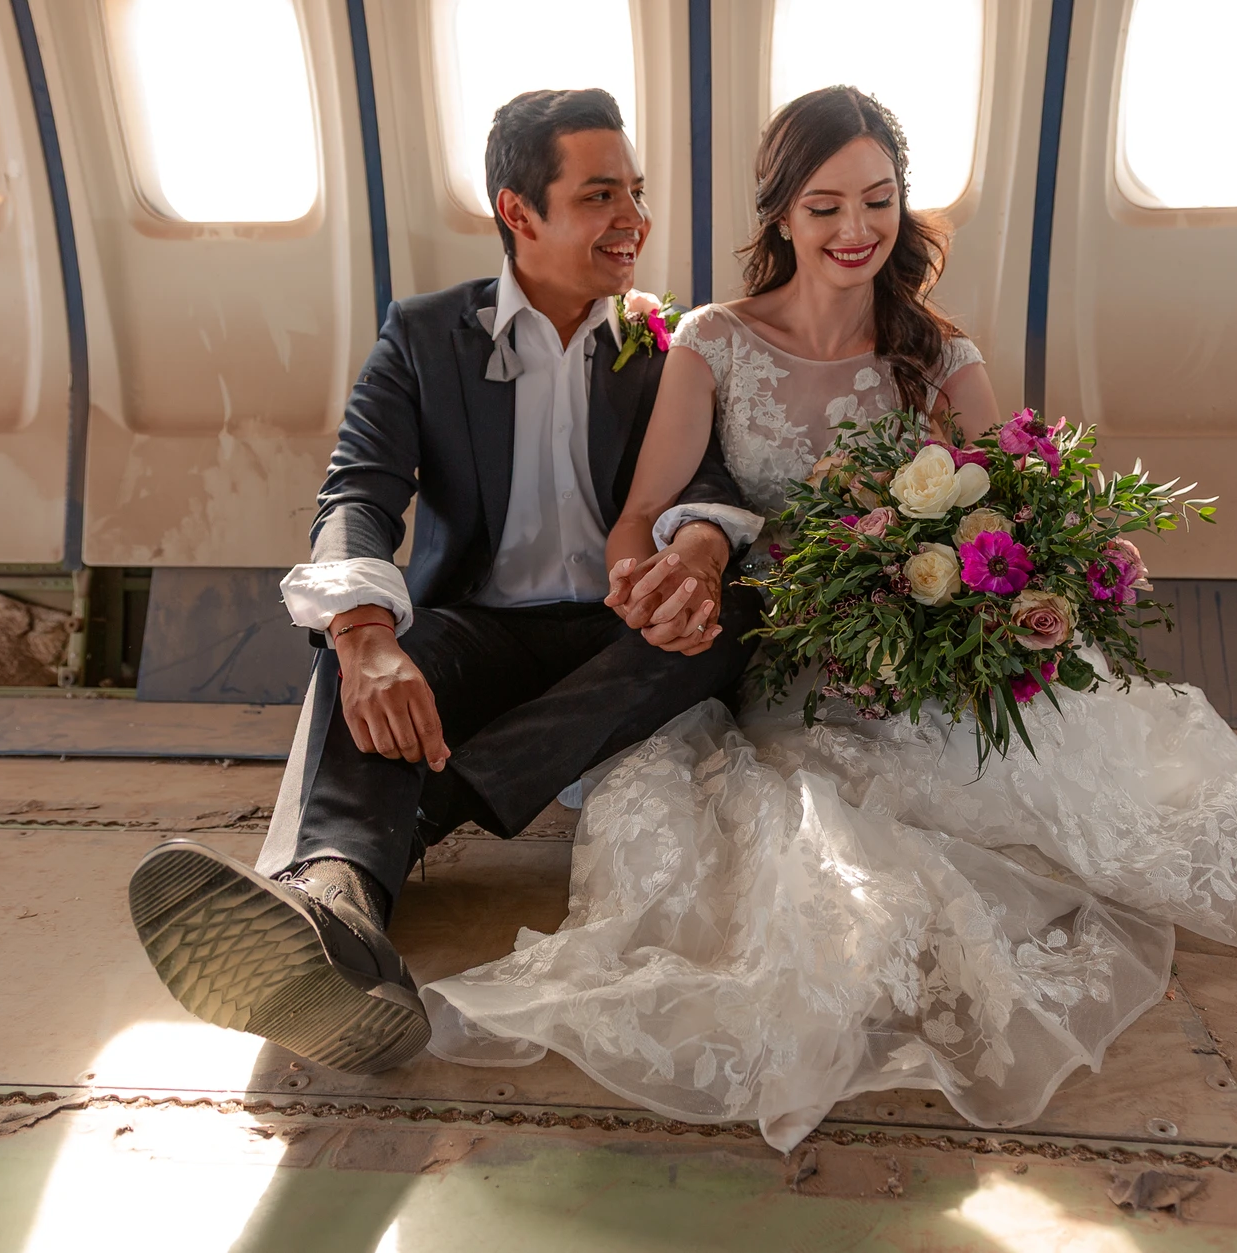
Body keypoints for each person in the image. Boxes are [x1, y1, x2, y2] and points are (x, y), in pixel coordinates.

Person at [419, 87, 1237, 1152]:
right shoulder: (711, 341)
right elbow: (642, 517)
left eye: (878, 202)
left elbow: (1016, 513)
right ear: (782, 217)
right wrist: (639, 579)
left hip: (910, 656)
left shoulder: (940, 356)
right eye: (825, 206)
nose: (855, 231)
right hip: (774, 655)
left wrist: (1067, 558)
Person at [126, 89, 764, 1075]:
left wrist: (694, 557)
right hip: (479, 625)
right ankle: (338, 902)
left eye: (635, 191)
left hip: (613, 630)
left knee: (724, 626)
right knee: (374, 653)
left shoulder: (666, 342)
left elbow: (708, 482)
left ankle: (417, 812)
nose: (633, 219)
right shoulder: (425, 337)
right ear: (518, 212)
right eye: (599, 195)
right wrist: (365, 635)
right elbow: (358, 491)